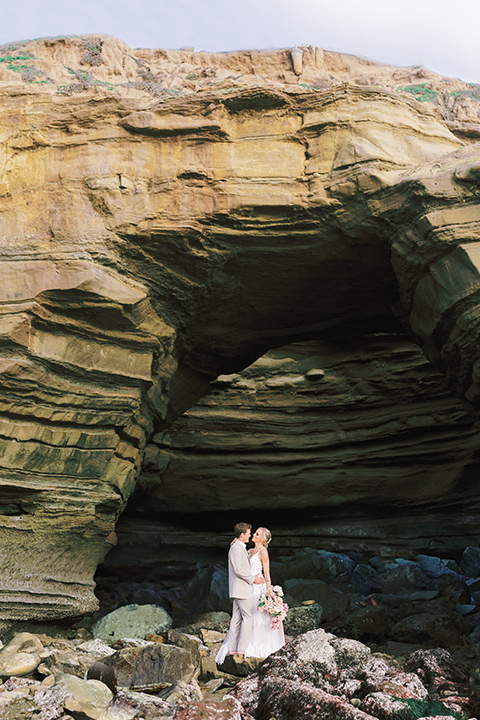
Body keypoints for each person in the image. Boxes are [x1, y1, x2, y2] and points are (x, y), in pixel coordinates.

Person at [216, 526, 285, 664]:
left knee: (255, 617)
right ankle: (237, 648)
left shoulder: (263, 552)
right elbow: (240, 562)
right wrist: (235, 543)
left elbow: (267, 575)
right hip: (247, 587)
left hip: (258, 588)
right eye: (252, 533)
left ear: (262, 538)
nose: (253, 534)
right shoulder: (248, 551)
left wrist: (269, 591)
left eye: (257, 533)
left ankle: (251, 648)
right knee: (245, 617)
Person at [217, 522, 263, 661]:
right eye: (248, 533)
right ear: (242, 534)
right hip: (241, 588)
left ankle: (232, 649)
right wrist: (253, 579)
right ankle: (241, 649)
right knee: (248, 616)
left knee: (237, 619)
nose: (250, 535)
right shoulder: (237, 548)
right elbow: (239, 570)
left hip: (238, 589)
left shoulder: (238, 546)